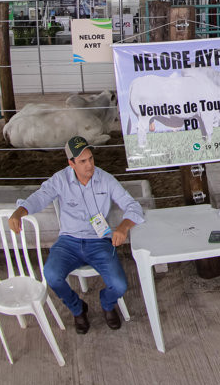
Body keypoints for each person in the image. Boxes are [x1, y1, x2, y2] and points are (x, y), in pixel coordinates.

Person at [9, 136, 145, 333]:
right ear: (71, 163)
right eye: (82, 161)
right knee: (51, 275)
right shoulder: (60, 179)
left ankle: (107, 304)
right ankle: (77, 308)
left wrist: (123, 227)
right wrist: (20, 212)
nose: (89, 165)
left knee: (119, 285)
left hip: (99, 241)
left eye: (90, 159)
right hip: (68, 241)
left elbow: (133, 206)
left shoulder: (105, 179)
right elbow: (40, 196)